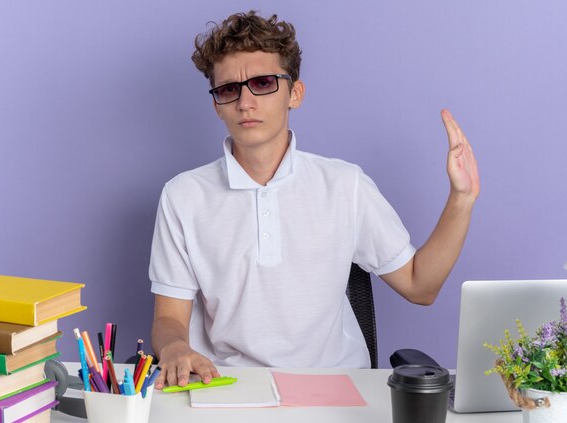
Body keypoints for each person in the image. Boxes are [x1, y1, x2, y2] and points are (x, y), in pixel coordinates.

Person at [148, 10, 479, 389]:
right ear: (217, 104)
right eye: (229, 90)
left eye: (263, 83)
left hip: (335, 386)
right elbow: (169, 318)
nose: (245, 102)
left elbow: (421, 286)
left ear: (295, 93)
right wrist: (173, 347)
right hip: (226, 385)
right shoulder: (183, 196)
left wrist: (462, 198)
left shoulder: (345, 185)